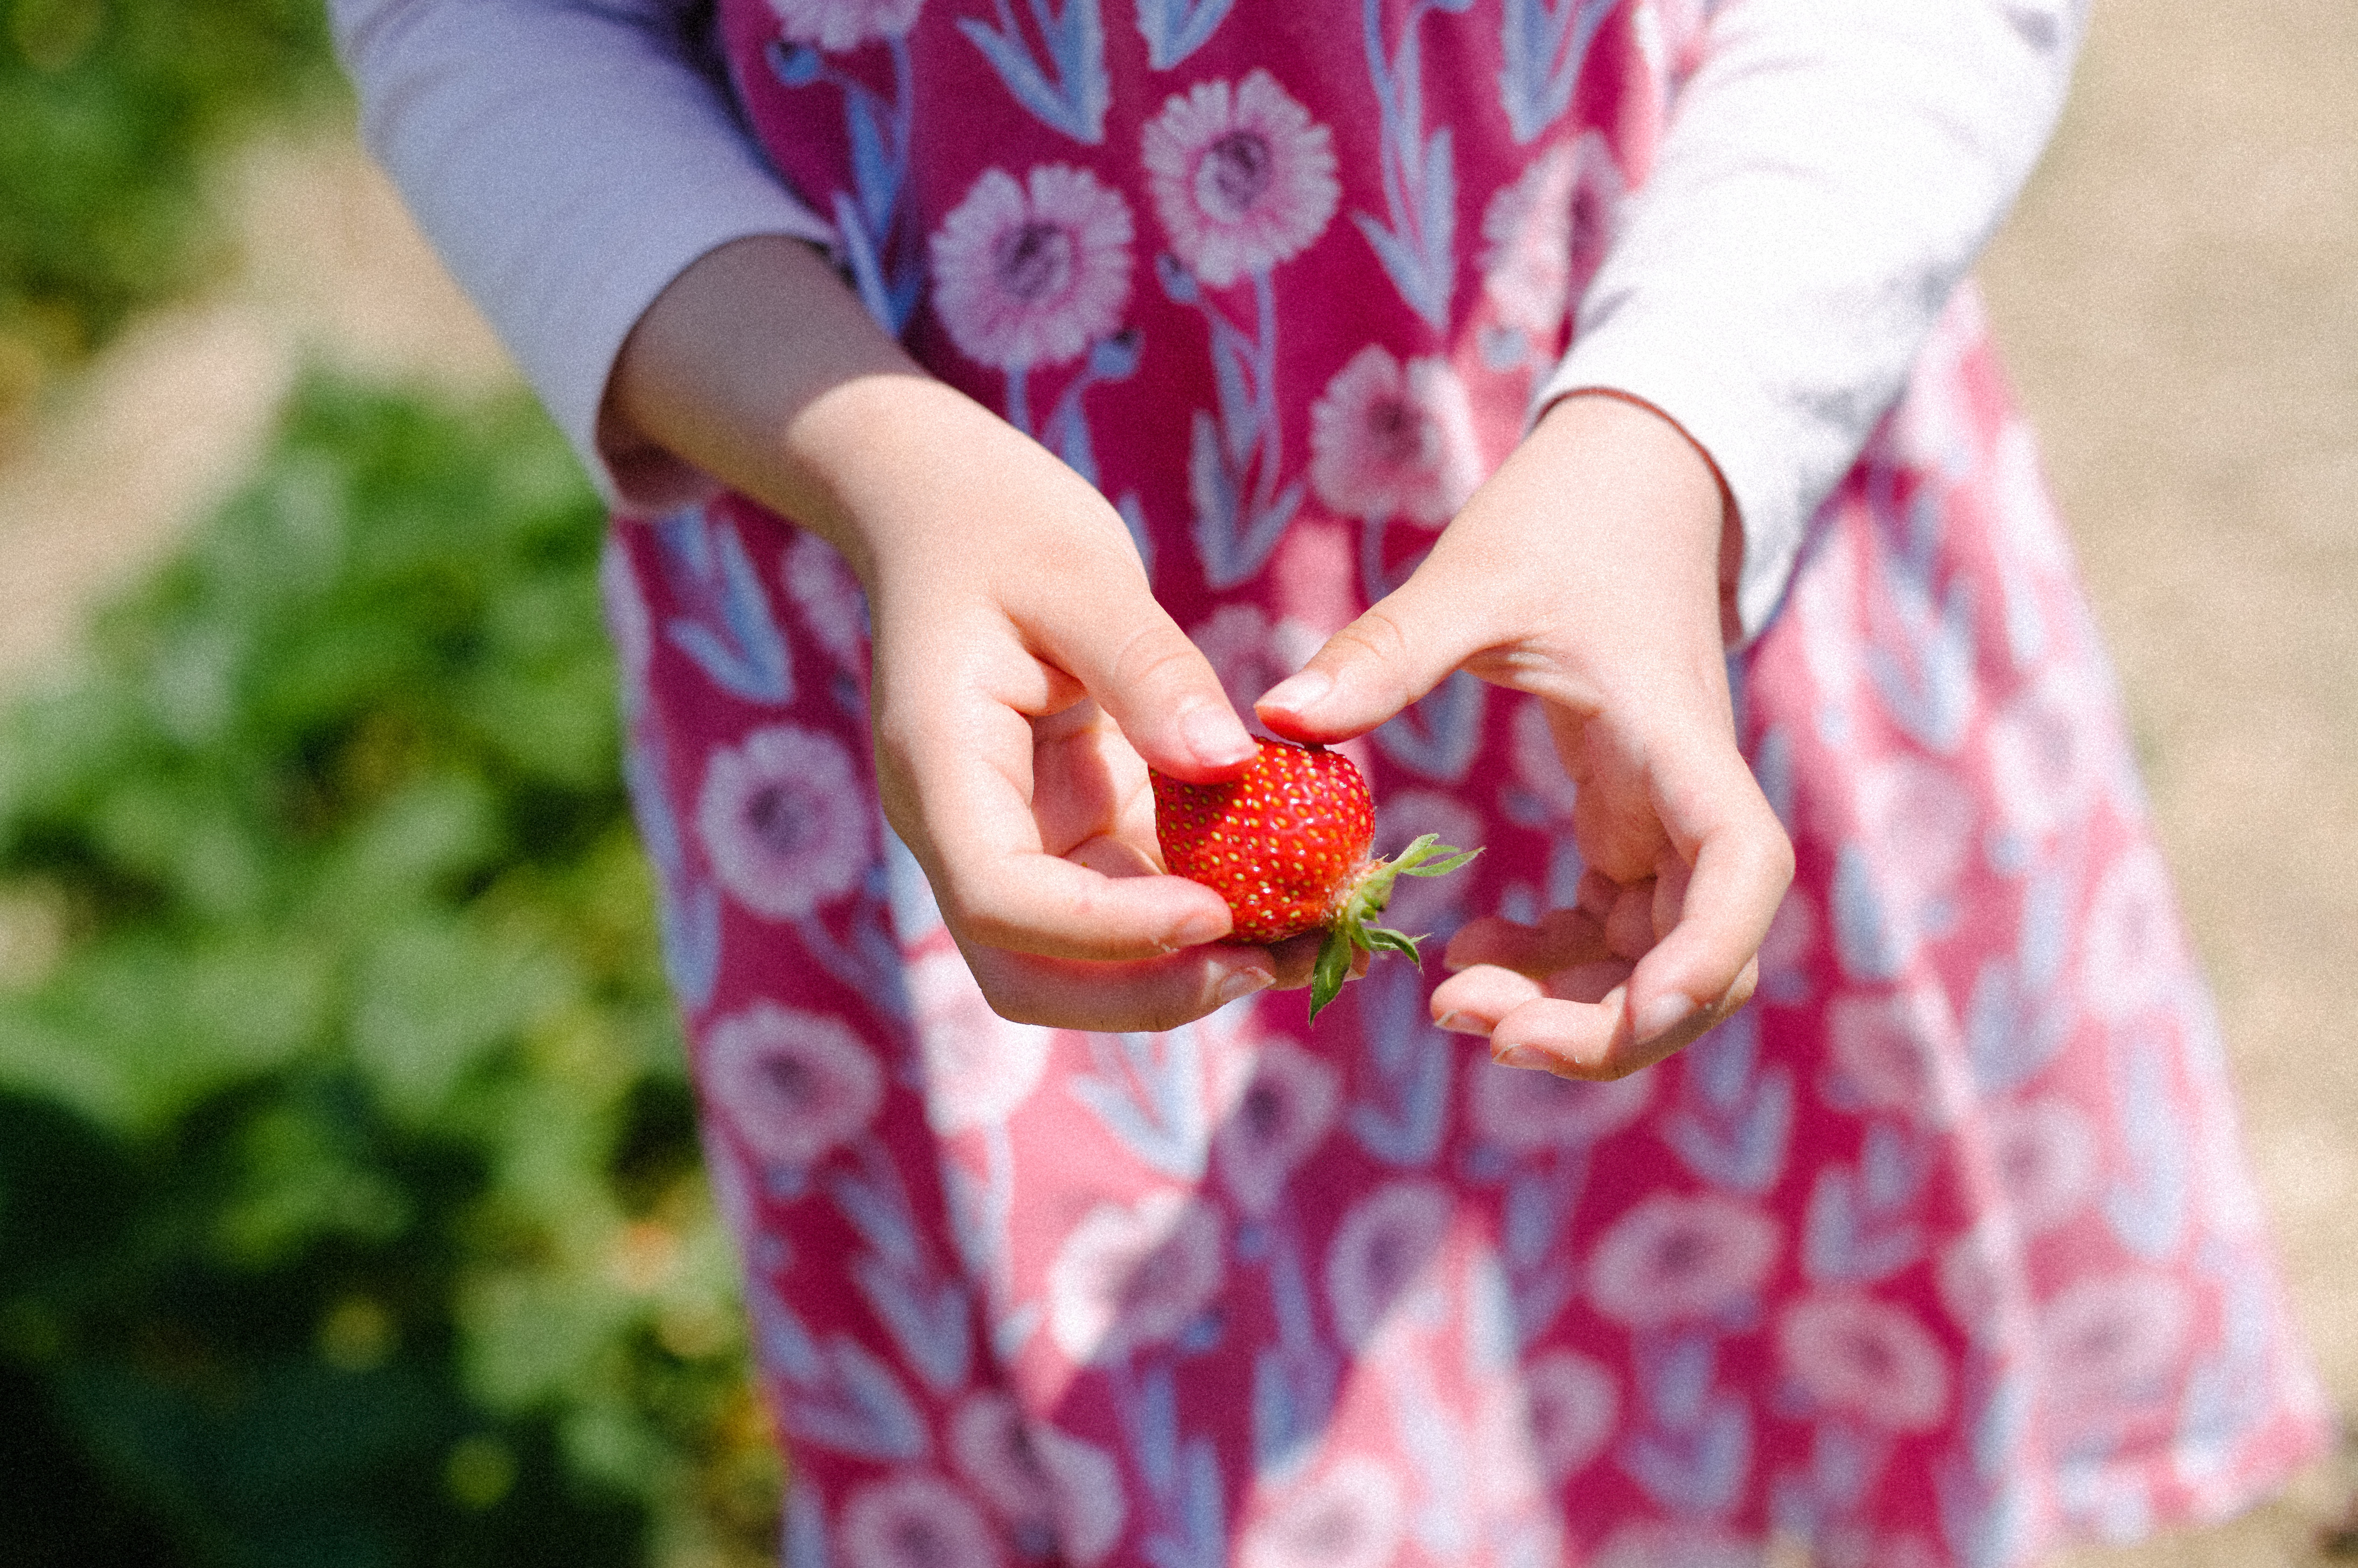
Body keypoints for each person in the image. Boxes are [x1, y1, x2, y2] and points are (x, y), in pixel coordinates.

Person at [332, 1, 2332, 1563]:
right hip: (941, 633)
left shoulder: (1672, 470)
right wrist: (875, 461)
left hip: (1652, 512)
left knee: (1742, 1305)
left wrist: (1682, 436)